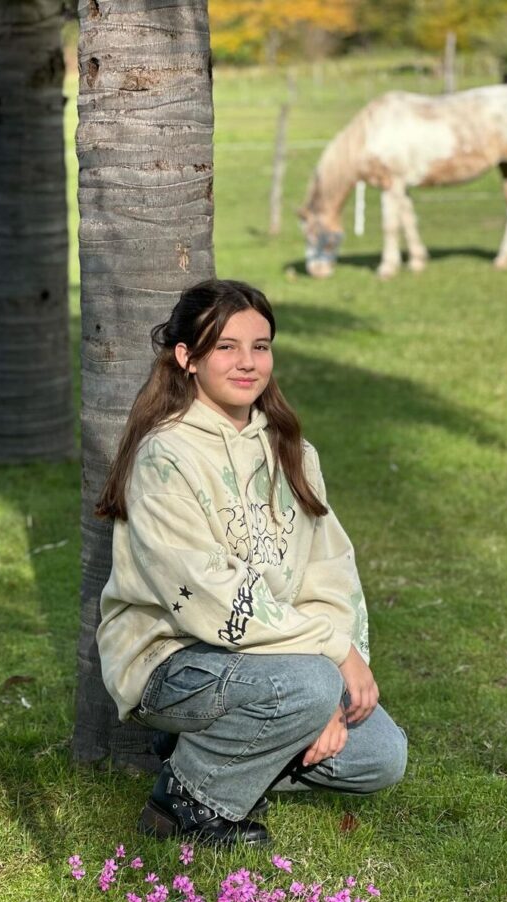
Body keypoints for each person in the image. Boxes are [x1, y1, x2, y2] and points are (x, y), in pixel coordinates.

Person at [95, 279, 407, 847]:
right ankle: (186, 804)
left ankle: (214, 745)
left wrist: (337, 671)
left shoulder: (292, 451)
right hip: (173, 660)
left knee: (381, 756)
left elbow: (330, 572)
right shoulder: (164, 456)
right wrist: (328, 660)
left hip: (280, 662)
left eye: (260, 346)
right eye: (226, 347)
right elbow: (212, 597)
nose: (247, 362)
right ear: (187, 358)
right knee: (310, 685)